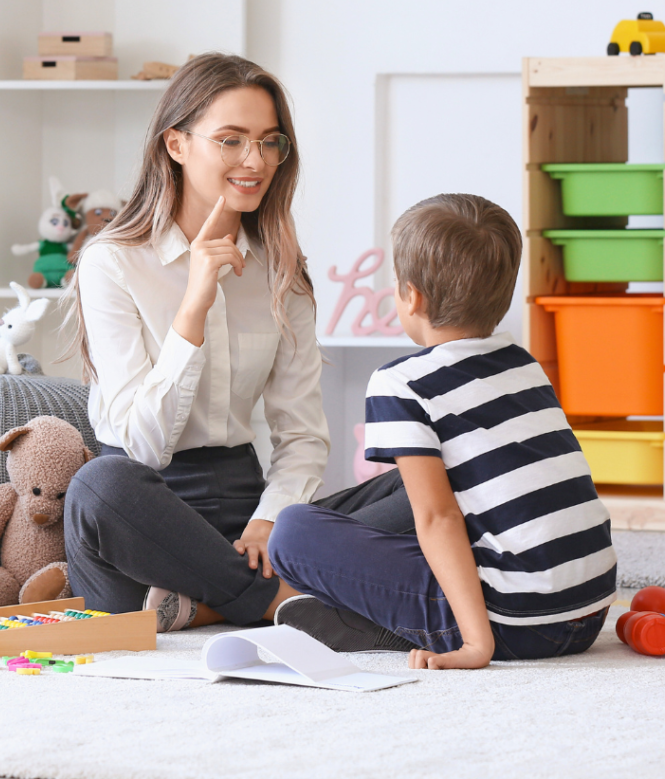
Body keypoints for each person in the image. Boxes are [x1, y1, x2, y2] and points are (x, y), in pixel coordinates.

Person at [63, 53, 412, 633]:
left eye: (269, 141)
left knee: (435, 474)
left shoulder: (281, 270)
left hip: (246, 513)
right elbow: (142, 447)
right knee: (99, 487)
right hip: (146, 514)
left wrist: (273, 518)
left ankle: (209, 604)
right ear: (176, 145)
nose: (256, 161)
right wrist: (195, 302)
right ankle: (278, 601)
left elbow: (301, 433)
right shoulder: (112, 263)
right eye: (231, 140)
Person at [268, 193, 617, 668]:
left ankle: (396, 627)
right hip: (590, 610)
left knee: (292, 533)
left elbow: (439, 520)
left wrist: (477, 645)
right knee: (409, 485)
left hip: (518, 623)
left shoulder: (400, 383)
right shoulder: (525, 364)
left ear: (412, 296)